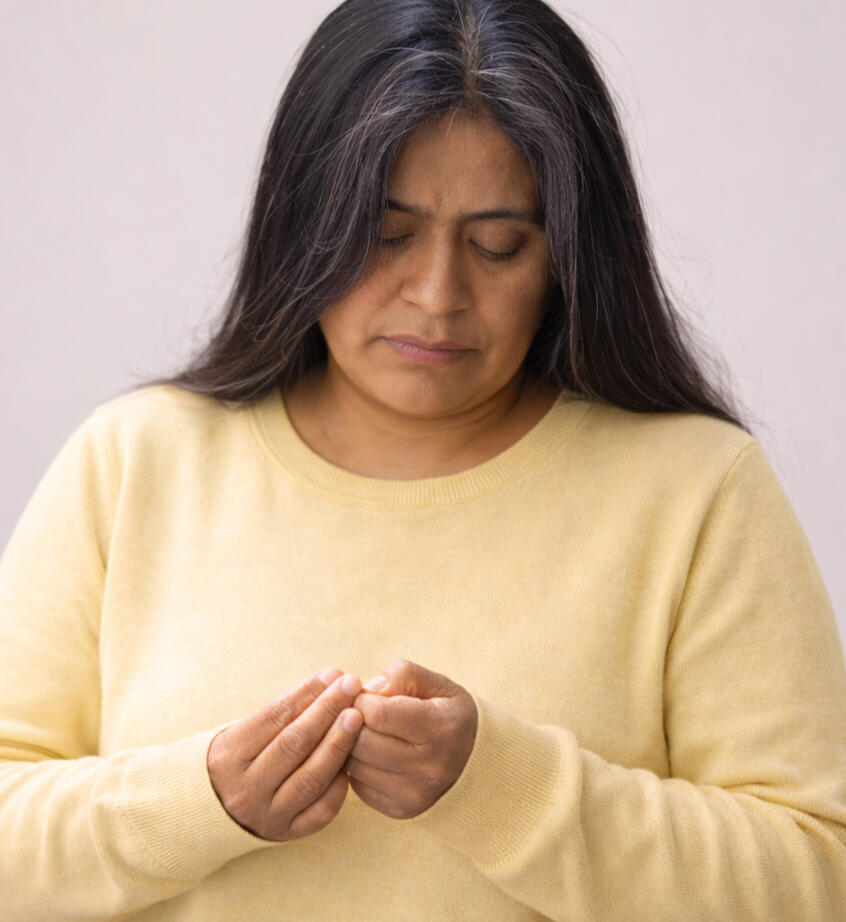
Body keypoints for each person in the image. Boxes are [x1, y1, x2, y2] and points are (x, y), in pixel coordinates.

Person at [1, 0, 845, 919]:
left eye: (498, 245)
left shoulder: (698, 490)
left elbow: (817, 875)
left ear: (567, 258)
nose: (439, 294)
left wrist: (504, 791)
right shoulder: (134, 463)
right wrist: (198, 802)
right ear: (302, 222)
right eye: (387, 234)